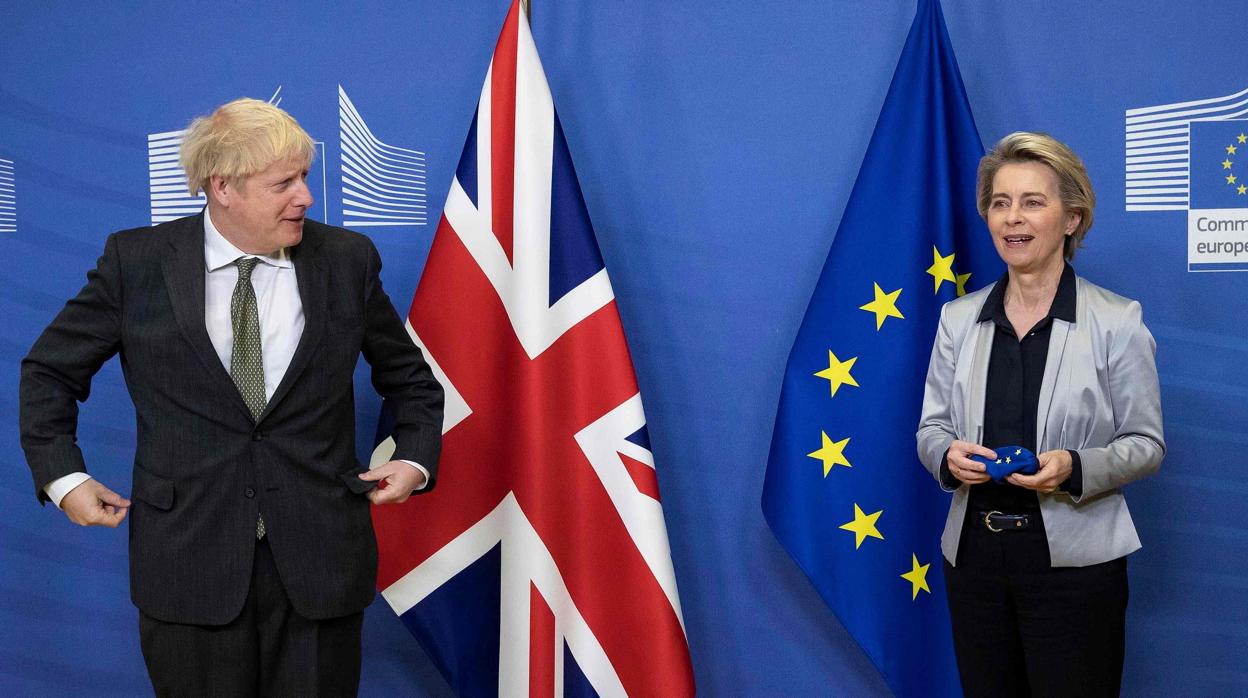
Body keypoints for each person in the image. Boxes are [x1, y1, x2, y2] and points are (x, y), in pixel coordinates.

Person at [19, 98, 444, 696]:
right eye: (284, 183)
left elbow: (412, 382)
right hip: (187, 567)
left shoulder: (347, 261)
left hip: (321, 567)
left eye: (304, 177)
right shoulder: (135, 262)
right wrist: (64, 477)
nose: (306, 197)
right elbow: (48, 373)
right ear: (223, 187)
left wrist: (415, 458)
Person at [916, 132, 1165, 697]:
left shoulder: (1118, 320)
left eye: (1033, 201)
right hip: (974, 561)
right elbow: (931, 429)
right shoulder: (957, 318)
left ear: (1072, 218)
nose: (1012, 218)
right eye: (1000, 203)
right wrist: (948, 456)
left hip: (1077, 569)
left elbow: (1146, 444)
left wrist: (1073, 467)